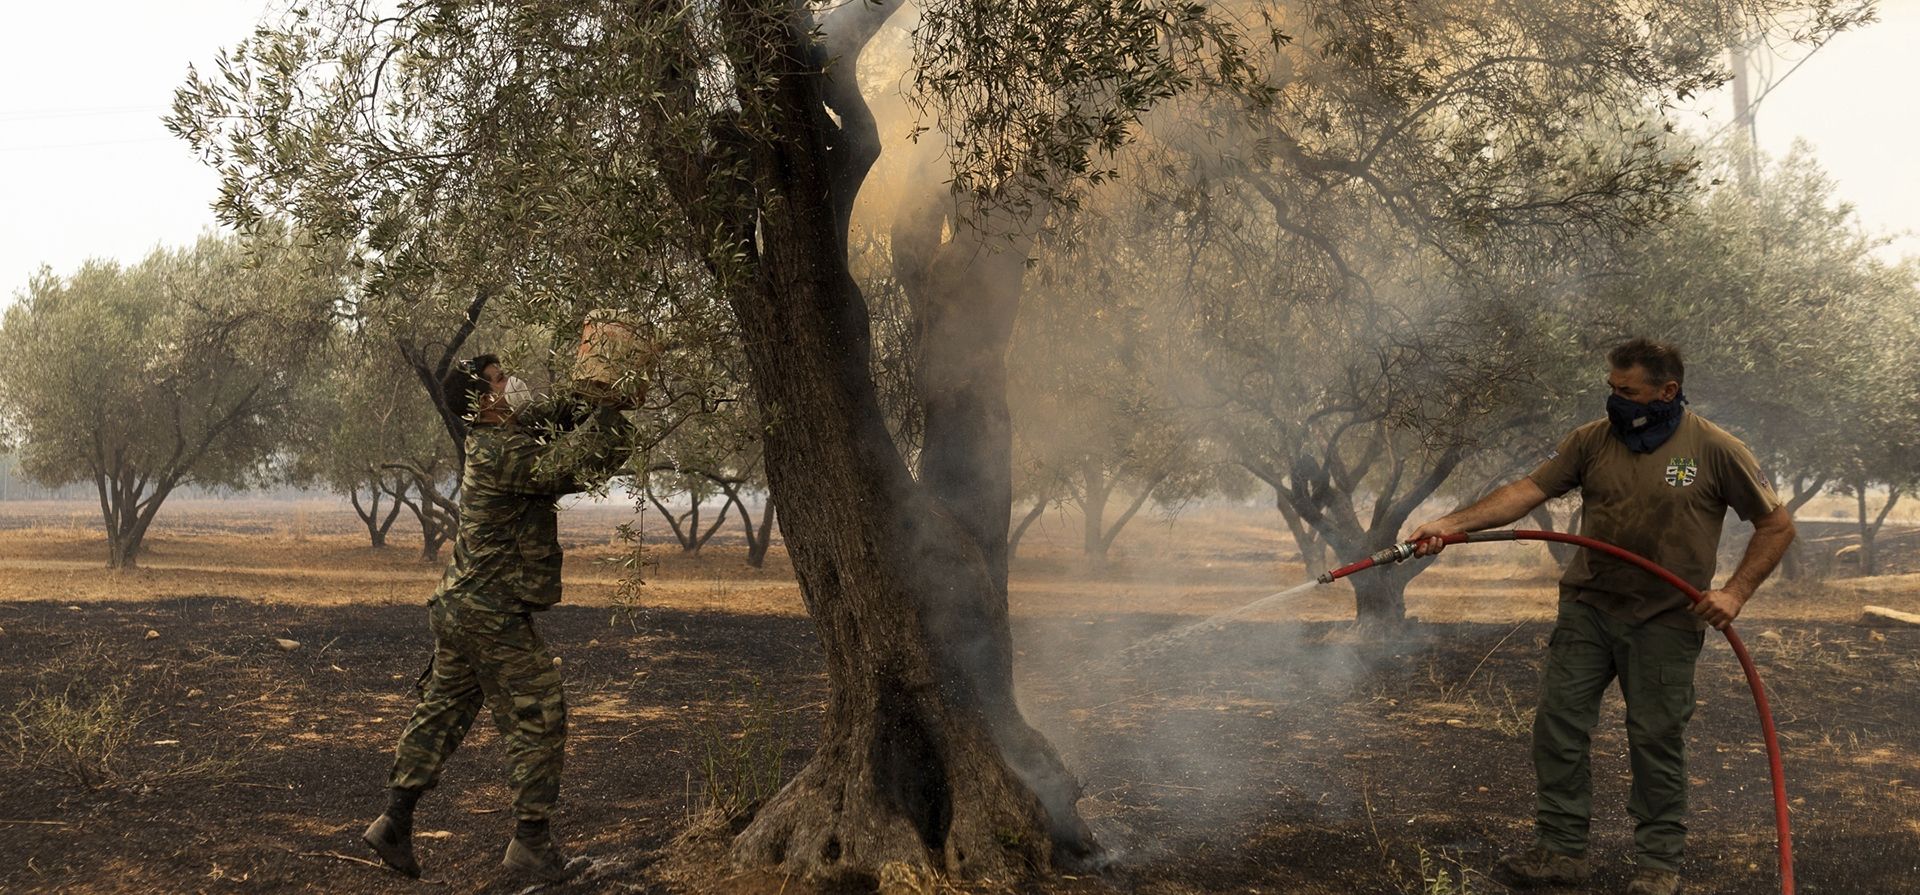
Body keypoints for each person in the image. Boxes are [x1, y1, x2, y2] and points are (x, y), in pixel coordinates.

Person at [1405, 338, 1795, 895]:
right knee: (1558, 727)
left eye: (1627, 391)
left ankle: (1659, 864)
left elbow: (1776, 526)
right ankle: (1561, 852)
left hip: (1665, 617)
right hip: (1588, 606)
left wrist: (1735, 593)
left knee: (1655, 738)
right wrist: (1452, 522)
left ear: (1668, 391)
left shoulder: (1714, 449)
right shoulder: (1592, 440)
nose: (1615, 400)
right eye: (1611, 389)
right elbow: (1529, 490)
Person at [361, 352, 636, 882]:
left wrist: (594, 391)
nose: (511, 384)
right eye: (500, 381)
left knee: (441, 713)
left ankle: (394, 822)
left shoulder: (496, 438)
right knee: (541, 710)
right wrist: (612, 417)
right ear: (482, 402)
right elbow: (578, 467)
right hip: (489, 612)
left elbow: (549, 416)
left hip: (460, 607)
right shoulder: (503, 452)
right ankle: (531, 842)